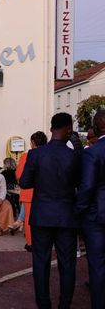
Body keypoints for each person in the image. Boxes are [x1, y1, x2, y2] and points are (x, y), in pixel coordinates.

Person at [20, 112, 80, 309]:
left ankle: (43, 304)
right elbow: (81, 184)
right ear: (69, 130)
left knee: (40, 261)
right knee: (67, 263)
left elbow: (25, 182)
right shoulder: (74, 156)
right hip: (66, 215)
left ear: (51, 128)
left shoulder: (36, 154)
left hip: (41, 215)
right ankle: (64, 305)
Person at [77, 110, 105, 309]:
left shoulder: (93, 152)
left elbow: (86, 186)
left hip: (97, 216)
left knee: (98, 266)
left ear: (96, 127)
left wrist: (79, 210)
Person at [16, 131, 48, 251]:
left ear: (33, 143)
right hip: (45, 191)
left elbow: (19, 174)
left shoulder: (26, 156)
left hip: (29, 191)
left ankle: (31, 243)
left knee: (30, 219)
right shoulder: (48, 154)